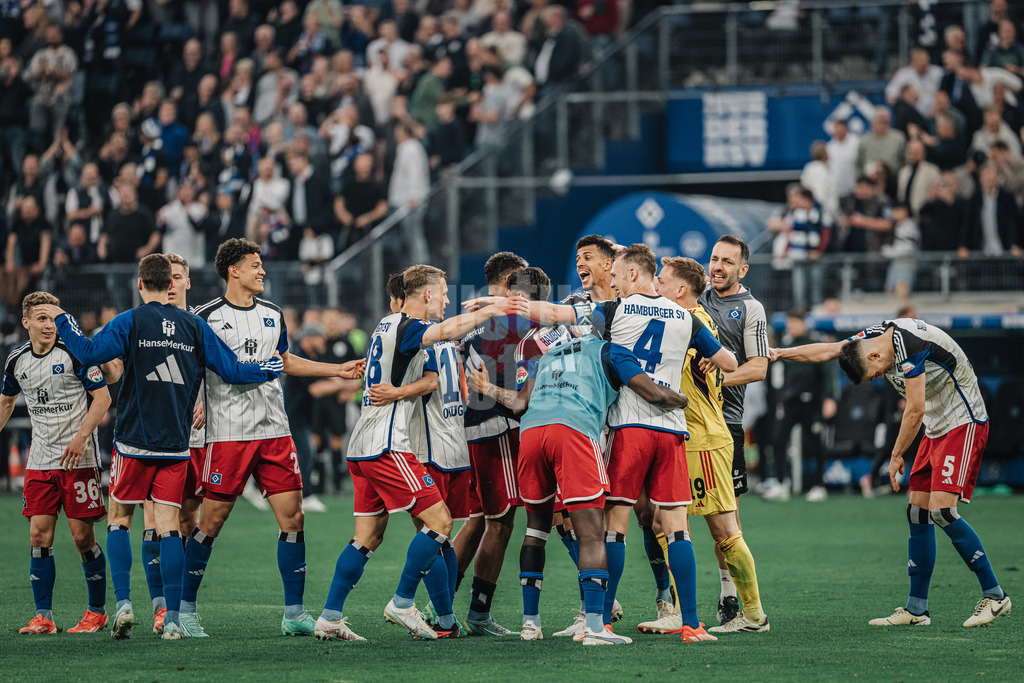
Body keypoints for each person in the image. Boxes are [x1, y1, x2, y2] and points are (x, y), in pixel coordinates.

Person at [40, 254, 285, 641]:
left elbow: (88, 354)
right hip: (176, 445)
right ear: (171, 285)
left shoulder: (131, 321)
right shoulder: (194, 325)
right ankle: (171, 619)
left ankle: (123, 604)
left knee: (120, 518)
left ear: (140, 284)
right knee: (170, 529)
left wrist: (63, 322)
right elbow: (235, 372)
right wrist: (267, 368)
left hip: (134, 441)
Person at [313, 265, 527, 641]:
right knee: (440, 524)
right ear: (426, 295)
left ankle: (331, 616)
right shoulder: (410, 327)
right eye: (443, 292)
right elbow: (441, 340)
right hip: (389, 443)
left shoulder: (386, 326)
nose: (446, 298)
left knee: (369, 534)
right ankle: (402, 601)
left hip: (366, 442)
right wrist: (494, 309)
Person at [542, 244, 738, 642]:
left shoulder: (617, 310)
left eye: (615, 275)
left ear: (632, 274)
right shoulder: (687, 316)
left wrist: (501, 307)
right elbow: (731, 363)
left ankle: (603, 621)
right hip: (672, 428)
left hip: (630, 427)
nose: (611, 281)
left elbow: (554, 314)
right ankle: (693, 624)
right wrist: (701, 358)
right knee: (677, 527)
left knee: (615, 526)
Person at [772, 319, 1011, 629]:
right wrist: (782, 353)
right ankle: (916, 609)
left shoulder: (909, 346)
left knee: (942, 511)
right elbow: (829, 350)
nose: (881, 376)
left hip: (962, 421)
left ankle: (995, 596)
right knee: (917, 512)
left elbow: (914, 409)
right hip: (937, 426)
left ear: (873, 357)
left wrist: (896, 455)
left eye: (877, 373)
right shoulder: (869, 341)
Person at [181, 238, 365, 638]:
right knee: (211, 521)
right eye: (254, 265)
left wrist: (337, 370)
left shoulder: (273, 313)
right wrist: (196, 401)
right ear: (233, 270)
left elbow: (285, 361)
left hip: (275, 430)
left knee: (294, 518)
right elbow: (195, 365)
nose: (262, 271)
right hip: (228, 433)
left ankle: (294, 613)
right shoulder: (205, 316)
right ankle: (186, 610)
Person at [469, 331, 690, 645]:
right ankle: (595, 627)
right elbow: (653, 394)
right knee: (590, 533)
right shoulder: (609, 350)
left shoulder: (546, 356)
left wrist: (488, 388)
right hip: (574, 431)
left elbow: (519, 404)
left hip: (531, 434)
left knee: (535, 530)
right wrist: (684, 400)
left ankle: (530, 624)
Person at [641, 256, 769, 635]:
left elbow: (727, 364)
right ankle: (680, 613)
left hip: (705, 438)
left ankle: (753, 616)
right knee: (666, 523)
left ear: (680, 290)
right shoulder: (678, 319)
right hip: (681, 436)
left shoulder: (693, 322)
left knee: (724, 529)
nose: (656, 287)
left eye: (661, 282)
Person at [1, 291, 111, 635]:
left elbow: (102, 398)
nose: (50, 325)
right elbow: (5, 404)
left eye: (53, 318)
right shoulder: (16, 360)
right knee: (38, 535)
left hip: (80, 459)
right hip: (40, 460)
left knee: (82, 538)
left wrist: (81, 438)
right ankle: (43, 616)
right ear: (27, 323)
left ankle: (97, 612)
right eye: (42, 318)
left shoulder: (74, 353)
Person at [697, 235, 770, 627]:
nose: (718, 266)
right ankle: (669, 604)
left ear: (742, 269)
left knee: (725, 518)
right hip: (682, 421)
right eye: (714, 259)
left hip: (725, 424)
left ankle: (731, 597)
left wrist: (718, 382)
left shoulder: (751, 309)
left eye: (727, 261)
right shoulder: (695, 297)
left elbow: (759, 367)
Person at [457, 251, 530, 637]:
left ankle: (439, 605)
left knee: (477, 520)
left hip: (474, 426)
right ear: (508, 283)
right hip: (498, 427)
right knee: (500, 524)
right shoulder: (507, 324)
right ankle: (478, 613)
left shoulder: (472, 323)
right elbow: (519, 387)